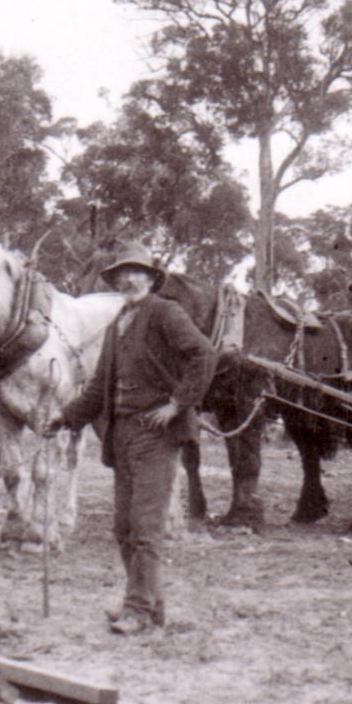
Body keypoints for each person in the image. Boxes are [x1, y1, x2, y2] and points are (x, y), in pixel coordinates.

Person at [49, 242, 217, 635]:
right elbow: (96, 391)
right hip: (121, 434)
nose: (129, 279)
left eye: (137, 272)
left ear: (152, 278)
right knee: (123, 528)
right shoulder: (117, 325)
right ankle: (150, 605)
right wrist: (64, 418)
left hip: (156, 434)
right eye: (122, 274)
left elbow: (203, 355)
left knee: (144, 527)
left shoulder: (166, 313)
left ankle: (138, 610)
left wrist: (177, 404)